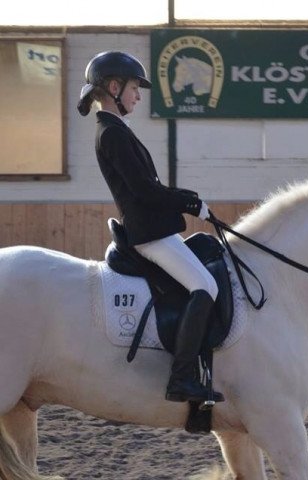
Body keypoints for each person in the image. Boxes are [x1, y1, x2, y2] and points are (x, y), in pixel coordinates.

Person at [77, 51, 223, 404]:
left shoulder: (116, 130)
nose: (138, 96)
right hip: (149, 236)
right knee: (205, 287)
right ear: (113, 87)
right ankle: (182, 378)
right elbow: (144, 190)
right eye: (133, 88)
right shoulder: (111, 133)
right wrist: (190, 201)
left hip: (157, 230)